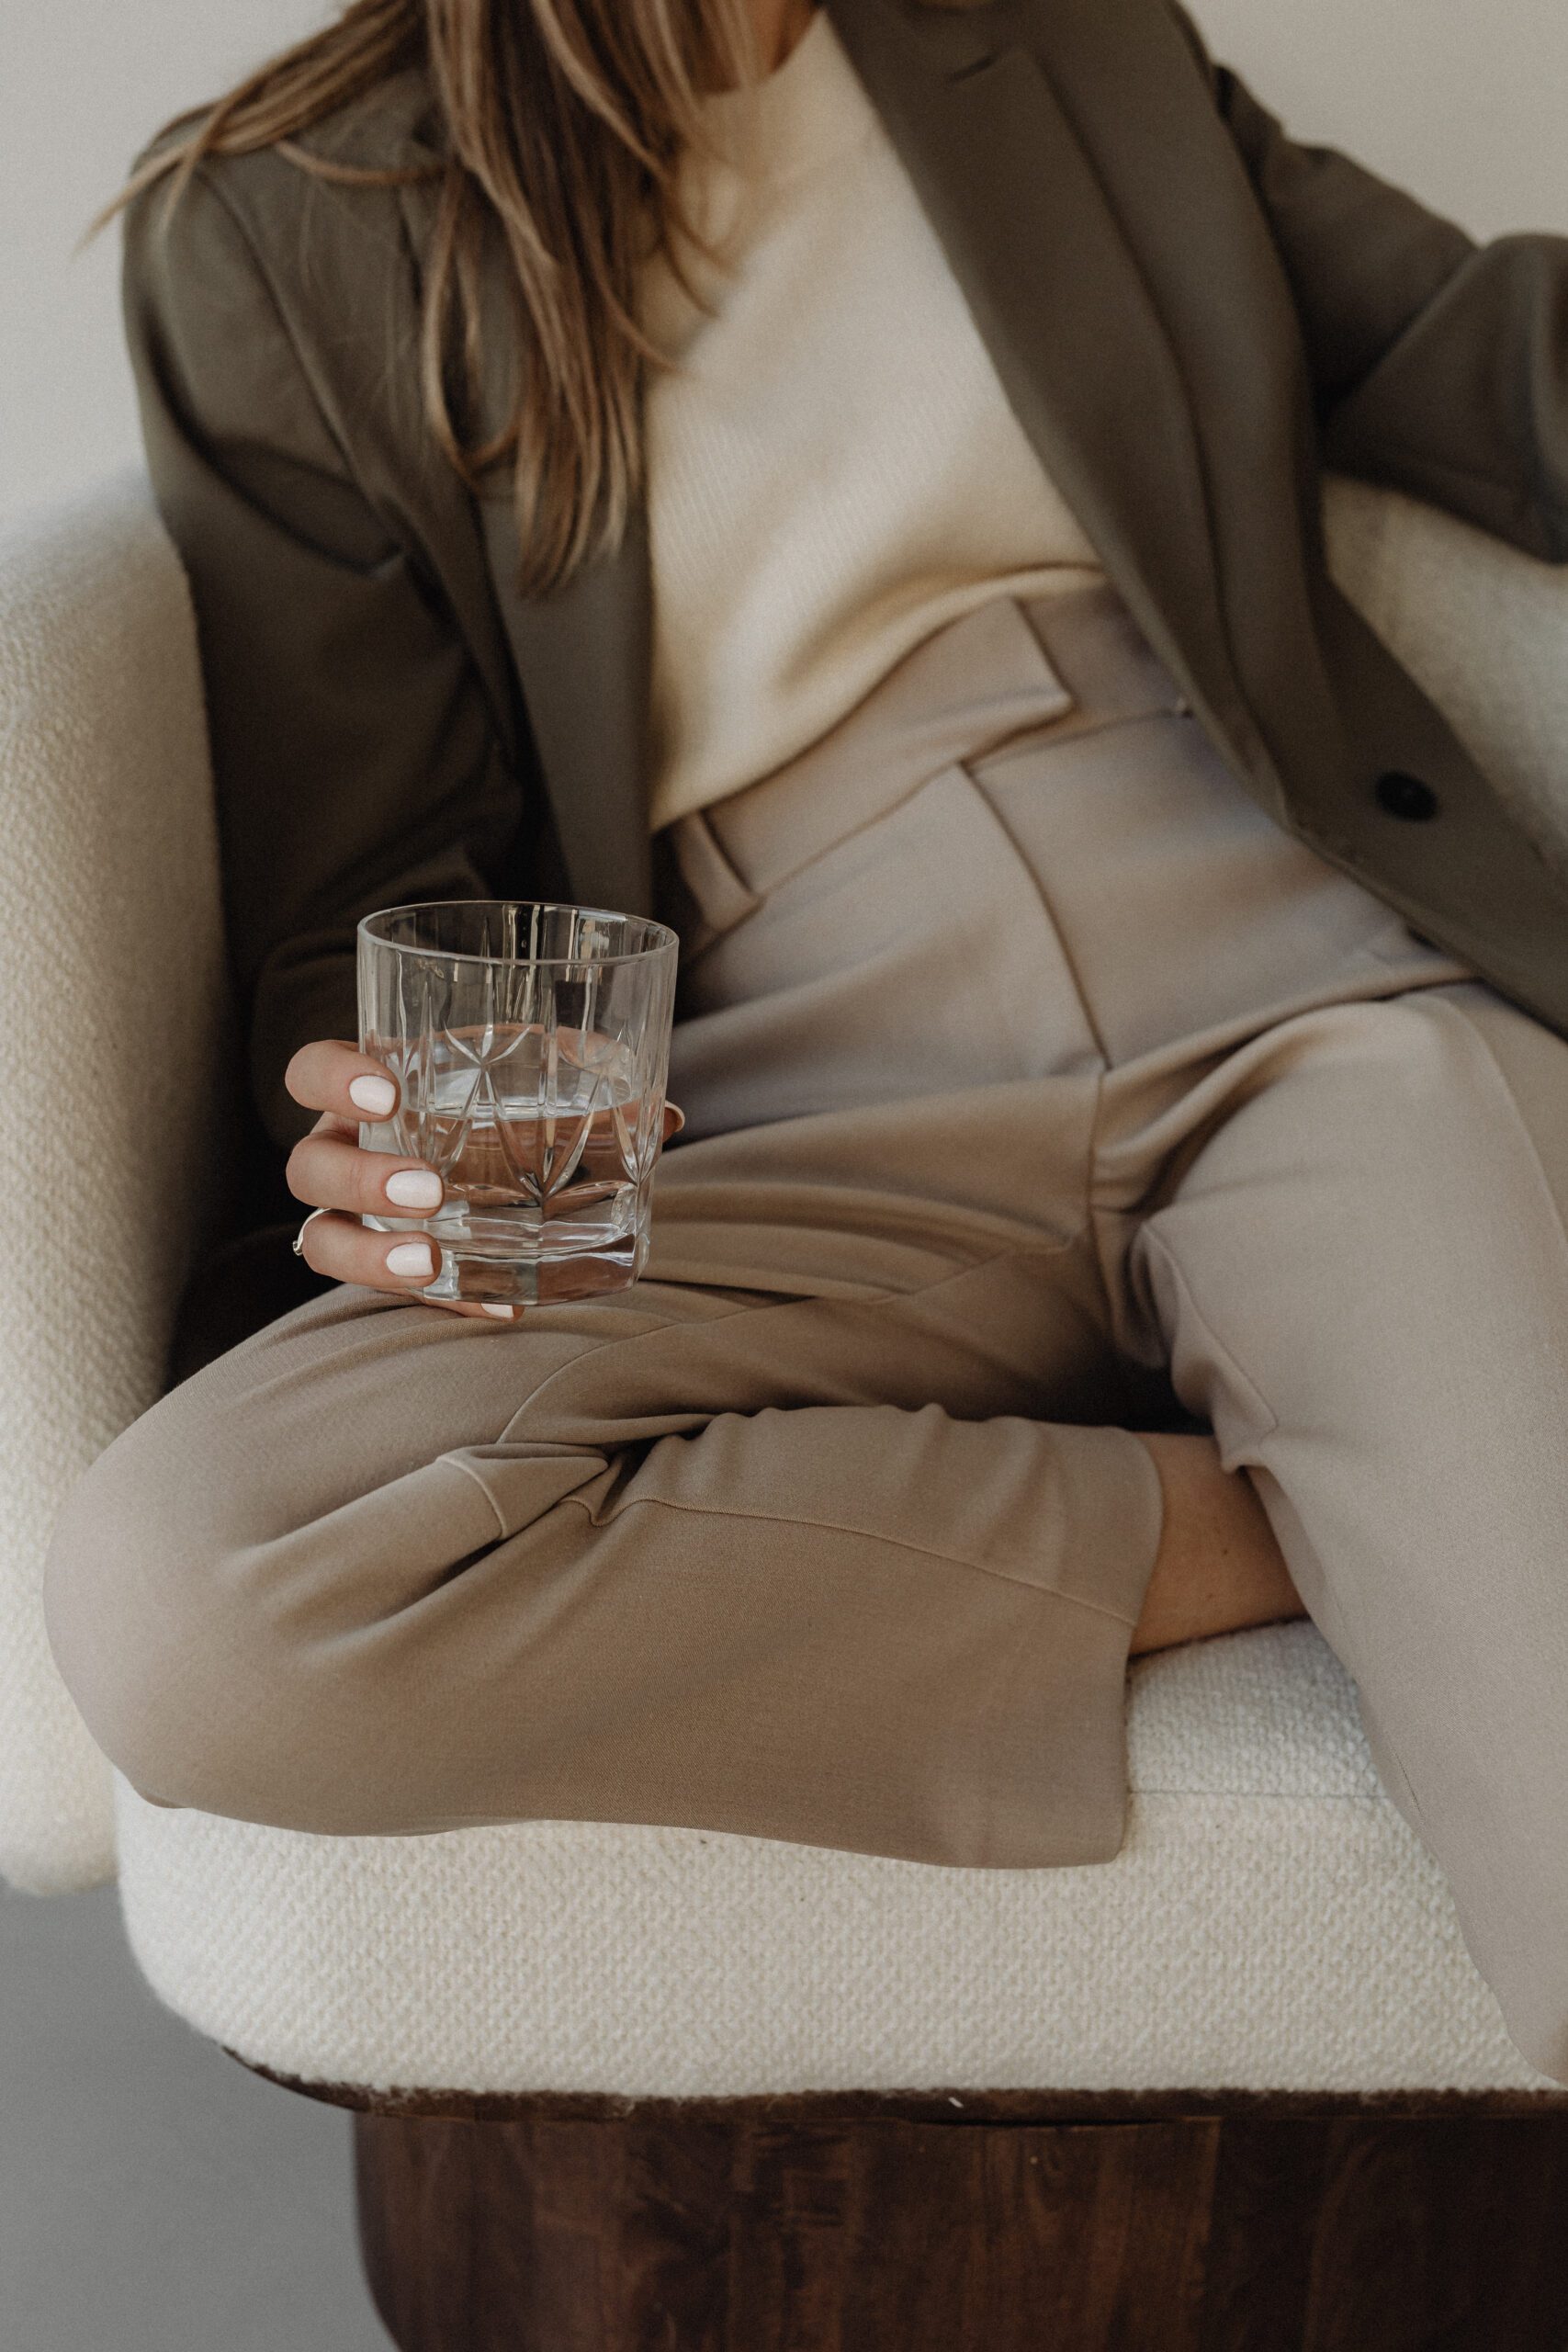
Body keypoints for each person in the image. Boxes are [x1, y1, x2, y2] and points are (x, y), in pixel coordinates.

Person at [39, 0, 1568, 2082]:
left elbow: (1471, 360)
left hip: (1304, 976)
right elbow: (362, 881)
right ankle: (1270, 1497)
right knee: (194, 1593)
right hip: (751, 1086)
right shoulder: (280, 226)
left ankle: (1397, 1435)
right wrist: (393, 1125)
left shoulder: (1059, 43)